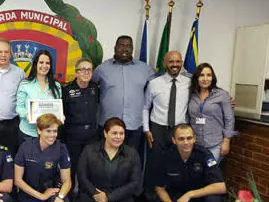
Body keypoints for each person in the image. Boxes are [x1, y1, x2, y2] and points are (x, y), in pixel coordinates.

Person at [72, 117, 141, 202]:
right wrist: (101, 198)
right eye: (114, 133)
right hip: (93, 195)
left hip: (118, 199)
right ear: (105, 133)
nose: (118, 137)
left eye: (121, 134)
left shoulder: (132, 154)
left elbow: (135, 183)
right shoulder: (90, 150)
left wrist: (109, 197)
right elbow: (82, 176)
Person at [14, 114, 72, 202]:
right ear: (39, 130)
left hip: (51, 190)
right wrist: (40, 196)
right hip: (30, 192)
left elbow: (67, 181)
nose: (52, 135)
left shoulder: (61, 148)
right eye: (48, 131)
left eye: (55, 131)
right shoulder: (25, 147)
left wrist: (60, 197)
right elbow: (18, 180)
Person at [92, 36, 156, 163]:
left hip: (134, 126)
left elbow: (158, 90)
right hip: (108, 126)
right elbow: (91, 89)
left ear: (132, 48)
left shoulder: (146, 69)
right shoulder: (102, 69)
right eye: (121, 45)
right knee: (105, 161)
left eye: (128, 46)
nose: (125, 49)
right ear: (115, 47)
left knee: (130, 162)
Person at [143, 51, 190, 188]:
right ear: (165, 64)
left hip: (180, 129)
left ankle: (173, 197)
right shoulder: (154, 83)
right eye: (171, 62)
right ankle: (151, 197)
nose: (175, 65)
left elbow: (206, 92)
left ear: (181, 63)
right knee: (156, 164)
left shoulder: (190, 83)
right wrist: (146, 129)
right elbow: (145, 107)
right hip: (158, 128)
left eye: (177, 62)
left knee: (178, 164)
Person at [62, 58, 99, 193]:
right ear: (76, 72)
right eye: (82, 69)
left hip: (91, 137)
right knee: (70, 170)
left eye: (89, 69)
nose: (86, 72)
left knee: (88, 170)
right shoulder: (66, 89)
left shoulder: (95, 88)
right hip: (72, 137)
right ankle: (69, 201)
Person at [188, 63, 235, 162]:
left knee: (210, 171)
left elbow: (229, 119)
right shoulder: (191, 94)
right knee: (197, 173)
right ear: (196, 77)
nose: (205, 79)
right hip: (195, 145)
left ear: (212, 77)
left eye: (208, 75)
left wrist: (227, 141)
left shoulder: (222, 95)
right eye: (201, 75)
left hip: (215, 145)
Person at [16, 50, 62, 141]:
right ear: (35, 64)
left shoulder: (56, 86)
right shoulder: (25, 84)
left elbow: (58, 108)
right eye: (41, 62)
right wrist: (27, 115)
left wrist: (60, 116)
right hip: (27, 134)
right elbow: (19, 108)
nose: (44, 66)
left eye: (47, 63)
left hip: (48, 135)